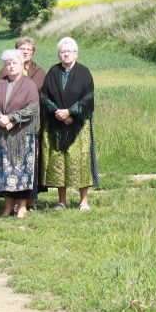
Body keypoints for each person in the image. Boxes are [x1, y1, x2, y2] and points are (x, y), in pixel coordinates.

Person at [40, 37, 98, 211]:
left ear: (76, 54)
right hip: (56, 123)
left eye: (69, 51)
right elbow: (44, 96)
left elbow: (88, 98)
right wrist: (58, 112)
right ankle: (62, 201)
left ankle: (84, 201)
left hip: (78, 125)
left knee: (80, 161)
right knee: (59, 161)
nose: (66, 54)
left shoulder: (84, 73)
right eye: (62, 51)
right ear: (58, 55)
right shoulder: (53, 72)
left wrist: (70, 112)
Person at [0, 50, 40, 218]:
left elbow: (32, 108)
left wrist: (12, 118)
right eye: (8, 63)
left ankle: (22, 206)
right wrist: (0, 119)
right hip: (2, 135)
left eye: (14, 63)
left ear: (22, 64)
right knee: (4, 171)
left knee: (22, 171)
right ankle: (8, 207)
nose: (11, 66)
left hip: (22, 135)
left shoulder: (29, 85)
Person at [0, 37, 47, 208]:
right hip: (7, 125)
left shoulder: (39, 71)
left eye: (28, 49)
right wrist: (5, 119)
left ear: (33, 52)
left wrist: (17, 117)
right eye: (21, 48)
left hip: (29, 122)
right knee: (9, 163)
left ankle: (28, 200)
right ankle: (11, 200)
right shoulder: (5, 71)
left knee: (28, 162)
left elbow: (37, 96)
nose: (25, 51)